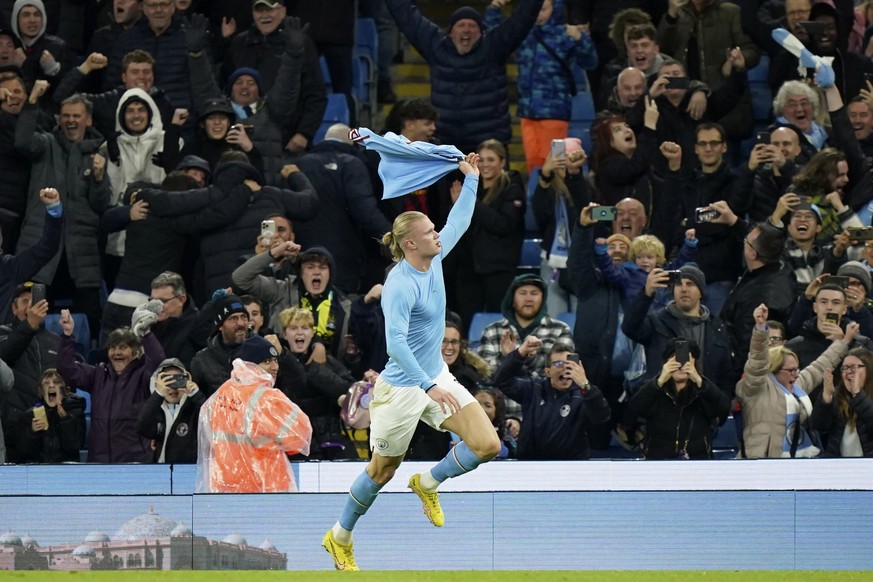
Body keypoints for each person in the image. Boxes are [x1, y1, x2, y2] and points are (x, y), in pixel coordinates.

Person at [322, 153, 499, 572]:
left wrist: (471, 178)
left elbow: (459, 222)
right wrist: (427, 386)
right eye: (429, 232)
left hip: (434, 376)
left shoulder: (434, 255)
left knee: (488, 445)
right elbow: (395, 345)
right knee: (381, 472)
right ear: (409, 244)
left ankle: (428, 482)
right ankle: (339, 536)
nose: (438, 235)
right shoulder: (399, 286)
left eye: (434, 230)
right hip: (402, 387)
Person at [383, 0, 543, 155]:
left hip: (488, 148)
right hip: (446, 145)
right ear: (451, 33)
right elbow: (405, 15)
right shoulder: (436, 47)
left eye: (472, 26)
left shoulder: (494, 48)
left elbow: (523, 18)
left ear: (481, 33)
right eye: (461, 25)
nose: (466, 30)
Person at [484, 0, 597, 171]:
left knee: (556, 165)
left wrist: (582, 39)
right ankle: (538, 198)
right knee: (534, 167)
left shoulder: (564, 34)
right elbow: (498, 37)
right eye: (535, 9)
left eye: (543, 9)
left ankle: (557, 198)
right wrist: (495, 9)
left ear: (555, 7)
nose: (538, 14)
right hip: (527, 113)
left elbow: (590, 62)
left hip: (555, 114)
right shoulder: (523, 34)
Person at [737, 303, 855, 458]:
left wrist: (843, 343)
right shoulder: (756, 387)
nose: (795, 374)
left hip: (795, 459)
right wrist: (760, 329)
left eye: (797, 369)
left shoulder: (797, 386)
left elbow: (819, 366)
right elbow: (757, 361)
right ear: (775, 369)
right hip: (761, 460)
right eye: (791, 370)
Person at [196, 335, 312, 493]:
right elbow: (300, 438)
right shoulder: (268, 398)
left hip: (224, 490)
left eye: (275, 360)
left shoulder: (220, 394)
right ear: (250, 365)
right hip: (267, 491)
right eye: (266, 361)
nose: (275, 367)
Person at [56, 305, 165, 462]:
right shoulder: (98, 374)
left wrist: (146, 334)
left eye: (123, 347)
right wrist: (67, 335)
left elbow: (158, 363)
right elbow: (66, 369)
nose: (117, 352)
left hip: (135, 463)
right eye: (112, 348)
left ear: (135, 352)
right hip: (100, 463)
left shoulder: (143, 376)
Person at [443, 139, 525, 328]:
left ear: (502, 162)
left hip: (498, 268)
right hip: (468, 268)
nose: (486, 165)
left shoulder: (511, 188)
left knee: (500, 322)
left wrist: (468, 200)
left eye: (491, 159)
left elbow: (502, 224)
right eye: (482, 160)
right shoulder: (472, 187)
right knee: (466, 321)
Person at [493, 336, 610, 459]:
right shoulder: (533, 388)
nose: (565, 368)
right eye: (559, 364)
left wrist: (585, 385)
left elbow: (601, 418)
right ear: (547, 371)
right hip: (530, 465)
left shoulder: (585, 394)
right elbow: (501, 380)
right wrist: (520, 353)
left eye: (570, 364)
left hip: (571, 467)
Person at [621, 338, 731, 459]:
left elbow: (723, 410)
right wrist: (658, 382)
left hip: (699, 462)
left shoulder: (705, 389)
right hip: (658, 462)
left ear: (695, 361)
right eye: (674, 357)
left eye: (687, 358)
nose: (680, 364)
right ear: (666, 363)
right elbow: (631, 414)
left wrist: (700, 382)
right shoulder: (654, 389)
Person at [136, 357, 205, 463]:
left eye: (178, 380)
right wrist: (158, 394)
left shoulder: (194, 409)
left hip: (188, 472)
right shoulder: (155, 410)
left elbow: (213, 422)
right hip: (161, 472)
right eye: (167, 382)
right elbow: (142, 428)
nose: (173, 388)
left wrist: (195, 394)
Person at [811, 348, 873, 457]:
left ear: (869, 369)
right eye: (845, 368)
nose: (849, 371)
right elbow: (818, 427)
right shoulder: (837, 397)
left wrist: (857, 394)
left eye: (854, 367)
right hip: (839, 466)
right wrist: (826, 397)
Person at [17, 368, 86, 462]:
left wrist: (66, 420)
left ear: (65, 390)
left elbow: (73, 448)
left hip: (66, 472)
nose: (51, 385)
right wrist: (32, 432)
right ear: (40, 391)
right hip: (39, 472)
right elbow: (24, 453)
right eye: (46, 383)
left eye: (56, 382)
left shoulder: (76, 413)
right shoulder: (31, 415)